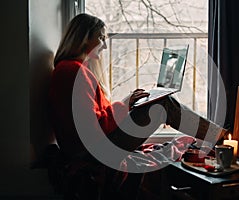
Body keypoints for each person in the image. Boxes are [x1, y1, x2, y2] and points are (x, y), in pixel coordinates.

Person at [49, 13, 227, 199]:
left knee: (158, 102)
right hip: (93, 152)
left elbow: (95, 120)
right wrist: (125, 105)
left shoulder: (70, 70)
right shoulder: (73, 72)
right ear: (85, 38)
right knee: (163, 105)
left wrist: (130, 106)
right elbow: (96, 128)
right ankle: (222, 137)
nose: (105, 45)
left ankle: (219, 135)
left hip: (91, 148)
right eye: (101, 38)